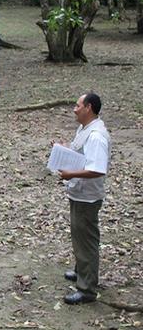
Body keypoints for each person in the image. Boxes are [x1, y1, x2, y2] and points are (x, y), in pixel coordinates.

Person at [57, 93, 111, 305]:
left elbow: (97, 169)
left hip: (87, 197)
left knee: (86, 240)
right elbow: (81, 155)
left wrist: (70, 174)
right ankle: (81, 270)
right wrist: (63, 148)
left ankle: (87, 289)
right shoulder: (85, 129)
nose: (74, 109)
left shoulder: (96, 136)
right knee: (79, 235)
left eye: (77, 105)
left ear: (88, 107)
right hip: (79, 193)